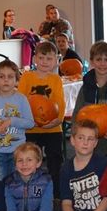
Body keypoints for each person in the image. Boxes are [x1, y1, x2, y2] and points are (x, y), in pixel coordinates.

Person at [18, 41, 66, 195]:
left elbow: (60, 101)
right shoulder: (27, 77)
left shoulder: (56, 79)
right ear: (34, 59)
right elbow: (21, 100)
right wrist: (26, 120)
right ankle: (30, 191)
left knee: (55, 162)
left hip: (53, 128)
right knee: (30, 159)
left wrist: (58, 118)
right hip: (31, 128)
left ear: (56, 61)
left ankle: (56, 193)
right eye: (42, 57)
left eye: (49, 59)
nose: (45, 62)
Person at [0, 60, 35, 182]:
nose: (6, 80)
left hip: (18, 151)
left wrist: (12, 121)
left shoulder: (21, 99)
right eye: (1, 77)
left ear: (16, 80)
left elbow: (30, 123)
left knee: (18, 181)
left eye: (10, 77)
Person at [73, 41, 107, 159]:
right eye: (98, 59)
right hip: (89, 144)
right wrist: (76, 134)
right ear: (92, 61)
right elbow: (78, 112)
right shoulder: (86, 86)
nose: (103, 63)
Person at [59, 119, 107, 211]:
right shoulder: (66, 168)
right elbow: (66, 202)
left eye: (90, 139)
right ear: (72, 140)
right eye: (81, 138)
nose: (85, 142)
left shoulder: (102, 163)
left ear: (95, 143)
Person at [4, 143, 54, 211]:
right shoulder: (9, 182)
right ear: (15, 165)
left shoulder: (46, 181)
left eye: (29, 160)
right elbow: (9, 207)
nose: (24, 164)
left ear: (38, 163)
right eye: (20, 160)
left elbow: (47, 206)